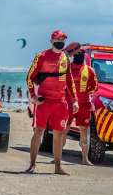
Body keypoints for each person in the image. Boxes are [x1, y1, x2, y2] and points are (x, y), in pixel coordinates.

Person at [25, 30, 78, 175]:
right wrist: (33, 96)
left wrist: (74, 100)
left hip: (60, 103)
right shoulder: (41, 56)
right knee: (38, 132)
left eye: (63, 39)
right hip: (44, 101)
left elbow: (69, 80)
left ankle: (58, 167)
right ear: (51, 40)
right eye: (58, 39)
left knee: (59, 134)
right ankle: (32, 165)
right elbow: (29, 77)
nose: (61, 41)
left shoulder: (65, 58)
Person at [63, 49, 97, 165]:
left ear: (83, 56)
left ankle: (85, 159)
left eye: (80, 54)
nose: (78, 56)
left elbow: (95, 87)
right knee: (64, 129)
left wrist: (88, 95)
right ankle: (57, 156)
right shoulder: (67, 69)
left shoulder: (89, 70)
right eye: (76, 54)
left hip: (84, 105)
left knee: (84, 131)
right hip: (68, 103)